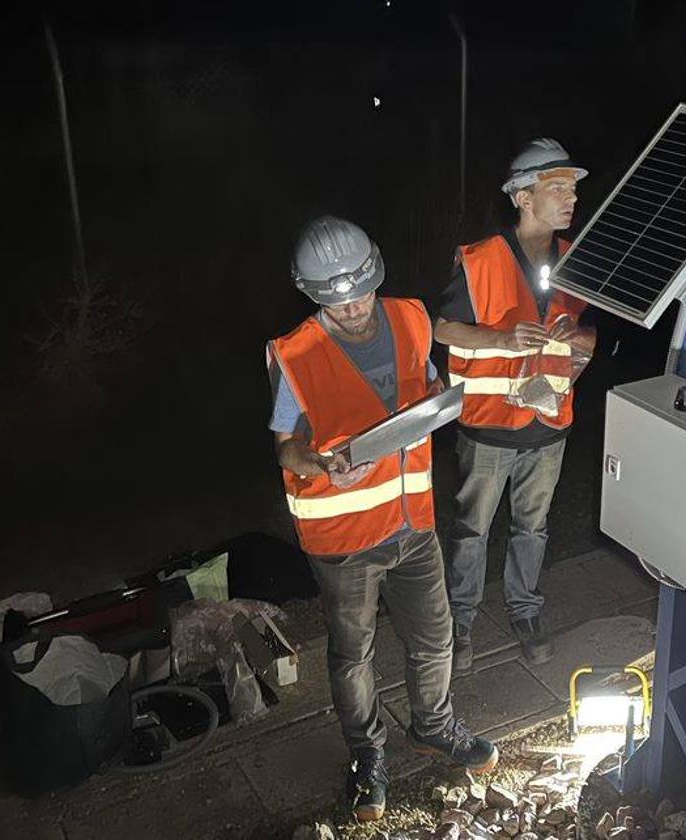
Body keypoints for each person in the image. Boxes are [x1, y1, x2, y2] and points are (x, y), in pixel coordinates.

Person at [266, 216, 497, 822]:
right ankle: (367, 758)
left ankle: (434, 727)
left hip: (412, 521)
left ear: (376, 273)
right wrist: (315, 462)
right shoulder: (295, 354)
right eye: (338, 305)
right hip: (342, 541)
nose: (354, 310)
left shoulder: (411, 316)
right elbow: (285, 447)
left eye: (362, 294)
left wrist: (440, 397)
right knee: (353, 655)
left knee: (434, 638)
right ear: (314, 296)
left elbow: (423, 383)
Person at [433, 138, 597, 672]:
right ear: (523, 197)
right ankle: (461, 624)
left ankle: (525, 611)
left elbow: (598, 337)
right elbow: (443, 327)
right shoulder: (479, 260)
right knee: (471, 530)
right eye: (558, 188)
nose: (570, 199)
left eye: (572, 189)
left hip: (549, 423)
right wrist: (502, 340)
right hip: (488, 427)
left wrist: (583, 343)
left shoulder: (577, 258)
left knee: (533, 527)